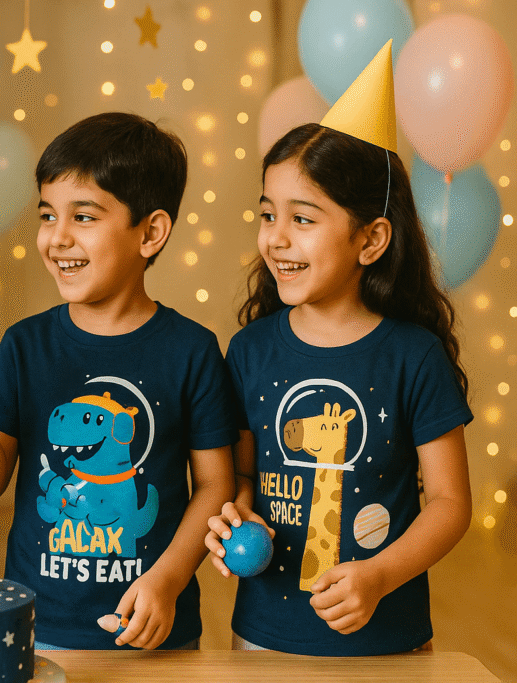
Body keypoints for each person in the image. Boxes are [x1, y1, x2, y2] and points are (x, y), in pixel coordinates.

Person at [205, 43, 472, 656]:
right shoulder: (248, 351)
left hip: (388, 645)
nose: (275, 238)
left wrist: (379, 576)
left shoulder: (414, 355)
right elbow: (242, 473)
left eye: (303, 219)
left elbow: (451, 503)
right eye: (268, 214)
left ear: (371, 239)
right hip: (265, 640)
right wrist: (236, 515)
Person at [0, 112, 238, 650]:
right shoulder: (24, 345)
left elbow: (216, 485)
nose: (57, 239)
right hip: (37, 628)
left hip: (157, 637)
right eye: (47, 215)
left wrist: (167, 580)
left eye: (83, 217)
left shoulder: (192, 350)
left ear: (150, 232)